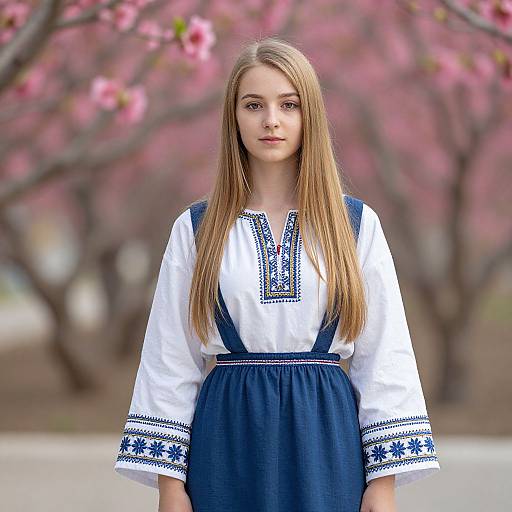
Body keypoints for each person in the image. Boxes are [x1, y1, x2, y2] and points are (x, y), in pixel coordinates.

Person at [114, 37, 440, 512]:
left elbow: (385, 354)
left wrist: (382, 483)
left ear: (310, 116)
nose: (272, 119)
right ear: (234, 118)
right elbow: (170, 360)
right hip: (226, 438)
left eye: (289, 104)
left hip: (326, 438)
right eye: (254, 105)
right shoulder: (198, 230)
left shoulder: (353, 225)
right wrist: (170, 487)